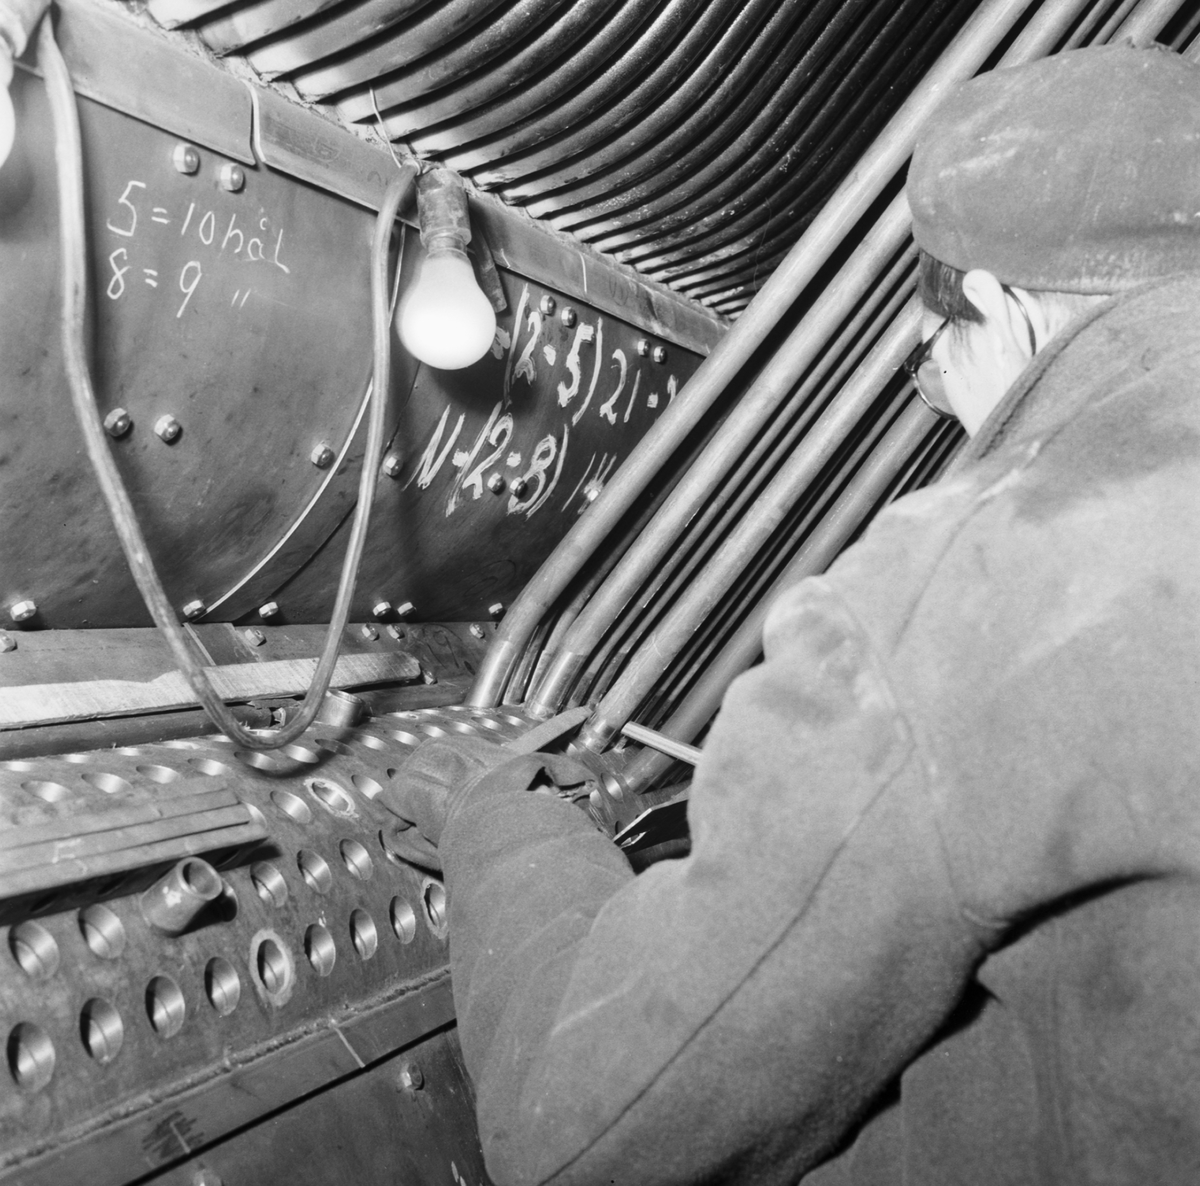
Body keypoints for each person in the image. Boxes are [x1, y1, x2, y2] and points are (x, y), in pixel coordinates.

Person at [382, 45, 1200, 1185]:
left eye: (938, 365)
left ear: (1001, 308)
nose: (959, 426)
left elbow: (582, 1131)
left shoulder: (979, 573)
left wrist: (500, 826)